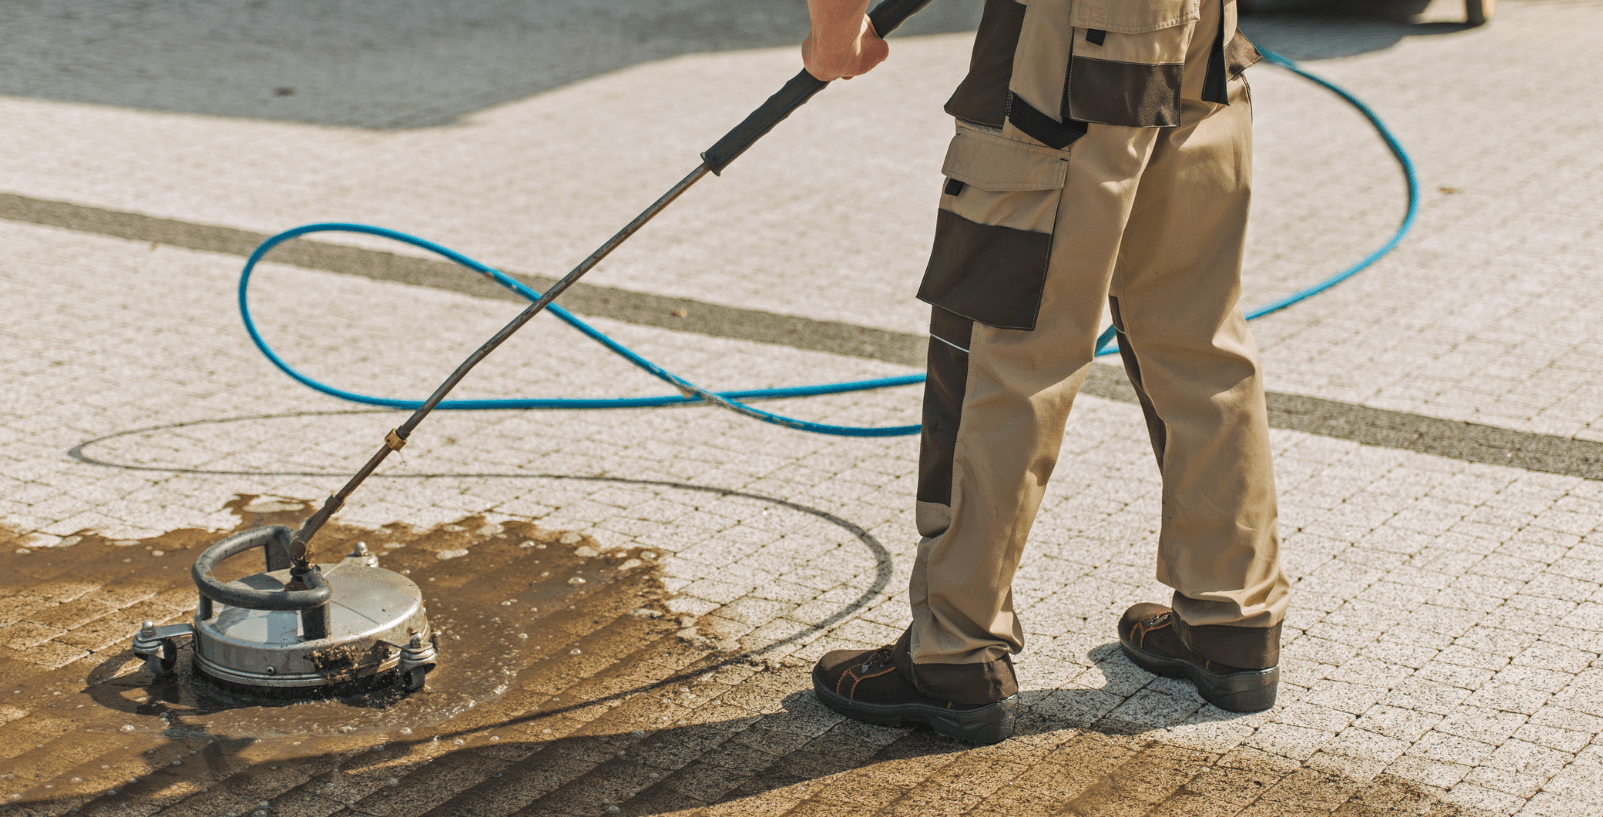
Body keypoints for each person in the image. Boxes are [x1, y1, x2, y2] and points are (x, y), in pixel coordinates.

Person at [805, 0, 1291, 744]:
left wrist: (833, 34)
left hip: (1065, 49)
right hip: (1197, 32)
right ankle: (1232, 620)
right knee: (1196, 336)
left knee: (1007, 352)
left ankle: (953, 654)